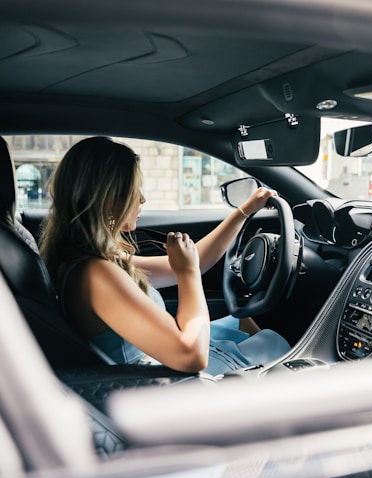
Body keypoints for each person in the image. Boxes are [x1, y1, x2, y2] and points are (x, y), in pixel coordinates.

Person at [40, 137, 290, 376]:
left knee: (241, 321)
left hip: (158, 362)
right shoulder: (96, 274)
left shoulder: (91, 259)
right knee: (276, 349)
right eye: (134, 190)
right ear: (108, 200)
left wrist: (244, 211)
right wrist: (187, 273)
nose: (141, 199)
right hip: (157, 380)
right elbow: (192, 356)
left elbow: (199, 260)